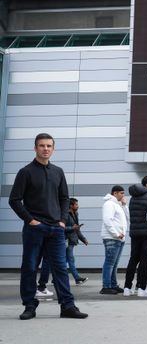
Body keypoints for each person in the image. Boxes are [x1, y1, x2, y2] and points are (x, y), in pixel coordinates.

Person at [8, 133, 88, 320]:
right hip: (34, 229)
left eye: (49, 146)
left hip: (56, 229)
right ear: (35, 148)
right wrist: (30, 220)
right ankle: (29, 305)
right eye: (42, 146)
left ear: (53, 149)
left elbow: (64, 198)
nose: (45, 149)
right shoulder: (25, 172)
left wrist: (61, 220)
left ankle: (67, 306)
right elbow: (14, 200)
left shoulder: (58, 172)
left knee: (60, 268)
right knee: (30, 267)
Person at [100, 185, 129, 294]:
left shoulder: (118, 205)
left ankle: (113, 284)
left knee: (114, 263)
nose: (123, 195)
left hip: (119, 238)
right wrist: (116, 234)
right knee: (109, 262)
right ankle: (106, 286)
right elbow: (108, 220)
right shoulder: (109, 204)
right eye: (121, 193)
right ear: (115, 193)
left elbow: (127, 217)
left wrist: (125, 205)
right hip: (112, 237)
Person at [65, 198, 88, 285]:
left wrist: (83, 239)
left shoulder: (75, 214)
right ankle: (77, 278)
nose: (78, 206)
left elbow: (77, 229)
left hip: (71, 240)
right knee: (70, 260)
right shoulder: (65, 214)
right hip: (67, 240)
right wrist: (72, 228)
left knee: (66, 260)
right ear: (71, 205)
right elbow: (61, 227)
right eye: (76, 204)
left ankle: (56, 278)